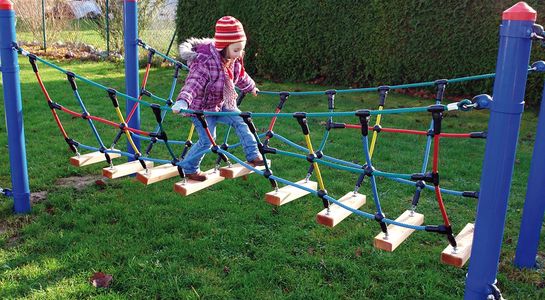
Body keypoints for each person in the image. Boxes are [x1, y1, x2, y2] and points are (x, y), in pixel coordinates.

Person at [172, 16, 264, 182]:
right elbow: (193, 83)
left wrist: (251, 87)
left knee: (241, 120)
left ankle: (253, 154)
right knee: (208, 140)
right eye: (236, 50)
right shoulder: (205, 62)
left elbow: (241, 75)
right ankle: (189, 168)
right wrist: (183, 101)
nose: (239, 54)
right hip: (202, 109)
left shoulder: (233, 59)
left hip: (222, 103)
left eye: (241, 49)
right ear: (223, 47)